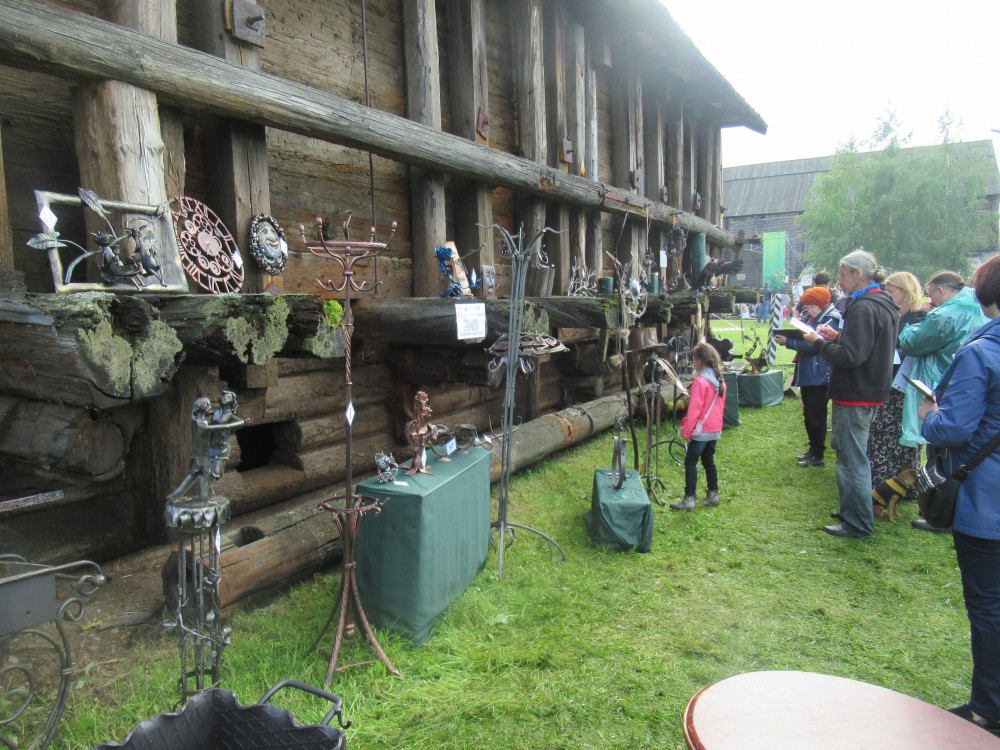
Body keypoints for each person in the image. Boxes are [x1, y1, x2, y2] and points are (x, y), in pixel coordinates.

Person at [918, 254, 1000, 737]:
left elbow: (954, 428)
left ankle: (989, 708)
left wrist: (930, 415)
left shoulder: (982, 352)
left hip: (987, 501)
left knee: (989, 606)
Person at [802, 249, 899, 539]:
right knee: (853, 457)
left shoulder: (864, 307)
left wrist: (818, 342)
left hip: (856, 392)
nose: (840, 281)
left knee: (851, 461)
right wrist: (839, 336)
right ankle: (853, 510)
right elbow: (866, 345)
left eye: (843, 274)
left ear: (858, 274)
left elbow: (850, 357)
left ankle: (857, 523)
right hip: (869, 389)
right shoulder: (882, 302)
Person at [900, 271, 987, 531]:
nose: (930, 301)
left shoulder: (945, 315)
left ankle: (940, 510)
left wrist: (915, 322)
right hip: (973, 386)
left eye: (930, 295)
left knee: (939, 449)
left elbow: (914, 344)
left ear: (939, 290)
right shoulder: (979, 308)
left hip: (942, 384)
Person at [866, 271, 925, 508]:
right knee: (879, 432)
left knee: (902, 436)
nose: (887, 295)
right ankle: (880, 481)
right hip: (884, 381)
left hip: (904, 386)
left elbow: (912, 349)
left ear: (906, 292)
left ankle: (904, 484)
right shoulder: (890, 314)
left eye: (891, 291)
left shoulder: (918, 319)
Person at [775, 285, 842, 467]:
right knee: (810, 414)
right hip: (811, 373)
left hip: (819, 374)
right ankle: (813, 450)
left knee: (816, 415)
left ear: (822, 304)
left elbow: (815, 346)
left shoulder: (831, 319)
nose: (809, 310)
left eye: (812, 306)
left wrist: (788, 342)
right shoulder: (814, 317)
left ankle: (817, 454)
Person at [670, 342, 727, 511]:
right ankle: (713, 494)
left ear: (700, 361)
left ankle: (689, 499)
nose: (692, 362)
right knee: (708, 460)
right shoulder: (719, 381)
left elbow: (694, 410)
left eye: (693, 359)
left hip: (702, 431)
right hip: (714, 429)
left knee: (690, 462)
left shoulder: (700, 382)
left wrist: (687, 431)